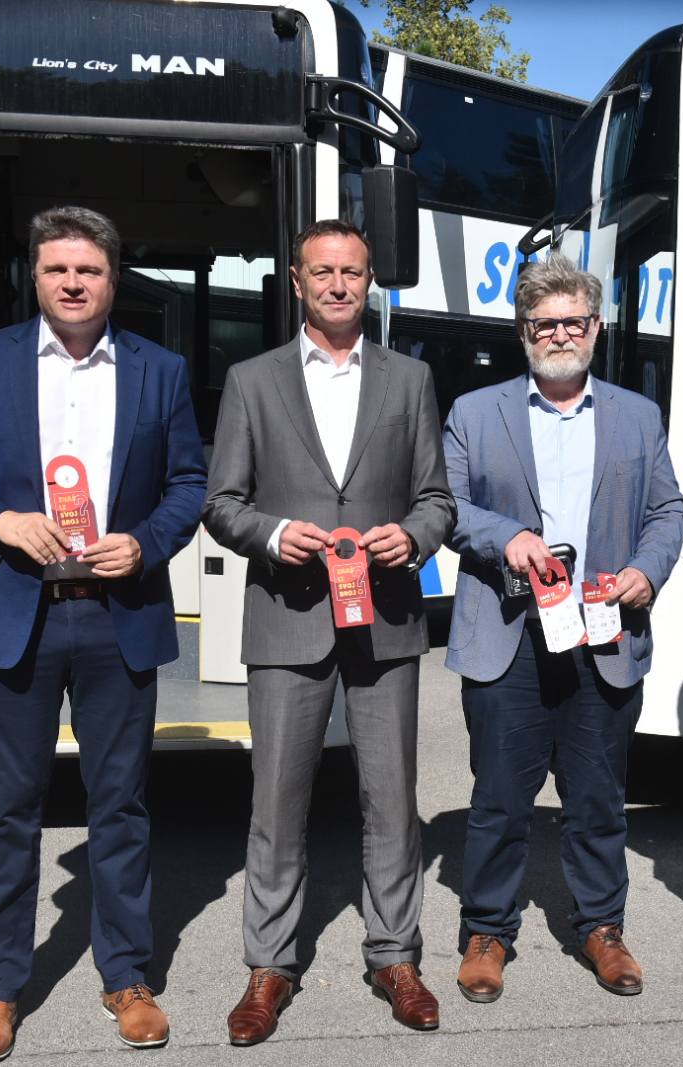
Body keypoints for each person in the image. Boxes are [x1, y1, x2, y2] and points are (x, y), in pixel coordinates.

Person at [0, 205, 206, 1063]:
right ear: (35, 276)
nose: (73, 283)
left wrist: (144, 543)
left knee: (121, 805)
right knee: (10, 810)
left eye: (89, 270)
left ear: (114, 278)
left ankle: (127, 975)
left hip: (118, 613)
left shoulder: (160, 370)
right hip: (17, 614)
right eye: (57, 269)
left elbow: (188, 483)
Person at [202, 219, 455, 1042]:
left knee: (393, 799)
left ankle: (396, 955)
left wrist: (411, 537)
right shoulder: (252, 380)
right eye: (323, 272)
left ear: (370, 280)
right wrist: (276, 535)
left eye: (352, 271)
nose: (339, 285)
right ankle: (269, 964)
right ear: (297, 281)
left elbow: (437, 499)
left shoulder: (410, 379)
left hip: (385, 616)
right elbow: (222, 504)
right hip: (289, 614)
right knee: (278, 801)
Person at [441, 256, 683, 1003]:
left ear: (596, 327)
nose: (558, 335)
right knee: (499, 797)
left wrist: (646, 571)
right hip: (508, 633)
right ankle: (487, 931)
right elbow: (445, 505)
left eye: (572, 322)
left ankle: (602, 926)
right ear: (523, 331)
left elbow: (666, 511)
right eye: (543, 324)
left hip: (602, 631)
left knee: (598, 797)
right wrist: (506, 536)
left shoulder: (637, 416)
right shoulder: (474, 412)